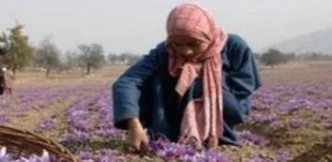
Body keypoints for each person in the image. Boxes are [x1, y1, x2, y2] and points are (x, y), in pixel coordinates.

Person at [112, 3, 262, 151]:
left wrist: (204, 87)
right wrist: (133, 123)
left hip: (224, 107)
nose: (186, 51)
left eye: (194, 44)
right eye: (177, 44)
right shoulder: (165, 51)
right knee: (155, 78)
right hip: (174, 109)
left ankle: (216, 135)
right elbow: (127, 81)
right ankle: (166, 132)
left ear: (208, 35)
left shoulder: (233, 46)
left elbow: (244, 87)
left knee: (195, 81)